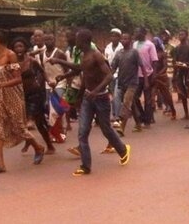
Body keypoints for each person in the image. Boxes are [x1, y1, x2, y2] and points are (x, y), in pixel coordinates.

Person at [52, 29, 131, 175]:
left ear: (83, 41)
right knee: (83, 132)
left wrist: (96, 91)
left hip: (100, 98)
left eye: (77, 39)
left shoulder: (96, 56)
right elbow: (80, 70)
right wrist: (63, 76)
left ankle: (123, 149)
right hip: (89, 99)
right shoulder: (84, 55)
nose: (75, 41)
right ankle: (85, 166)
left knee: (106, 129)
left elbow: (109, 76)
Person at [0, 29, 45, 175]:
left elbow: (17, 79)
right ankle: (1, 165)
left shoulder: (10, 55)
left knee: (19, 127)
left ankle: (38, 147)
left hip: (12, 95)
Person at [12, 37, 55, 154]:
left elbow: (42, 71)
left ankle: (49, 146)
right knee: (24, 124)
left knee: (38, 122)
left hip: (36, 93)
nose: (18, 49)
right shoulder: (12, 63)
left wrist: (48, 81)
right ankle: (31, 143)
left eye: (21, 46)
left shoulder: (31, 61)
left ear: (25, 48)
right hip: (21, 94)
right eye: (16, 47)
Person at [111, 32, 148, 135]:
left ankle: (121, 126)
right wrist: (107, 79)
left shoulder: (134, 52)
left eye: (126, 39)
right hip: (122, 82)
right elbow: (113, 68)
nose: (123, 40)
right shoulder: (119, 53)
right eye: (122, 39)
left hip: (133, 83)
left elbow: (142, 67)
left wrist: (146, 80)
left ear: (130, 40)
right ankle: (139, 124)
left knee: (126, 103)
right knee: (132, 105)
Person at [41, 33, 69, 142]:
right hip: (48, 84)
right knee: (50, 108)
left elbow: (67, 70)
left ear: (54, 40)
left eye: (51, 39)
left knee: (57, 109)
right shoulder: (42, 54)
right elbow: (43, 70)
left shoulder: (60, 54)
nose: (48, 41)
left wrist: (67, 84)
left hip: (60, 83)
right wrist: (47, 81)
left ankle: (61, 131)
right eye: (46, 39)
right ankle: (56, 131)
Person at [133, 27, 158, 128]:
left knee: (148, 99)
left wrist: (154, 75)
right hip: (136, 75)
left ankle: (147, 121)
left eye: (137, 32)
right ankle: (143, 116)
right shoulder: (134, 44)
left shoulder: (150, 45)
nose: (135, 34)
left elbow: (155, 61)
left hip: (148, 74)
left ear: (143, 33)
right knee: (135, 97)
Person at [151, 37, 177, 122]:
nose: (154, 43)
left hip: (161, 77)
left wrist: (158, 74)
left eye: (155, 42)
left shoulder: (162, 54)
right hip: (153, 76)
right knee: (151, 95)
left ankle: (173, 110)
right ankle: (151, 117)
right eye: (153, 42)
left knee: (166, 96)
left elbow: (165, 66)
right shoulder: (151, 53)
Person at [172, 30, 189, 120]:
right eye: (179, 34)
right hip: (180, 73)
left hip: (188, 73)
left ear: (186, 36)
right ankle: (186, 113)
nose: (180, 36)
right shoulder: (177, 48)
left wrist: (183, 65)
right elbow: (175, 62)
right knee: (182, 94)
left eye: (182, 34)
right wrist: (174, 75)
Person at [104, 28, 124, 121]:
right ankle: (114, 113)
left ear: (119, 37)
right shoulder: (107, 47)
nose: (113, 37)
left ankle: (117, 115)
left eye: (115, 36)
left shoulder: (122, 47)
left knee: (117, 95)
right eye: (112, 35)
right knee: (111, 95)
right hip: (110, 74)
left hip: (120, 74)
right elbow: (106, 60)